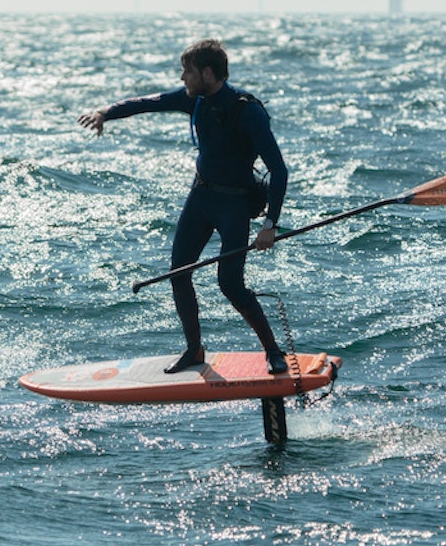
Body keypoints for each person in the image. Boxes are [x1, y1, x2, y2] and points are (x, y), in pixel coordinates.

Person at [78, 38, 290, 375]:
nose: (181, 79)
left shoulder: (247, 110)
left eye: (187, 72)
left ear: (207, 73)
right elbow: (149, 102)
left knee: (230, 284)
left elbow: (279, 170)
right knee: (179, 271)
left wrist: (270, 225)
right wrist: (106, 112)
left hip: (234, 204)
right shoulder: (194, 100)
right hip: (201, 198)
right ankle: (194, 350)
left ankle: (273, 351)